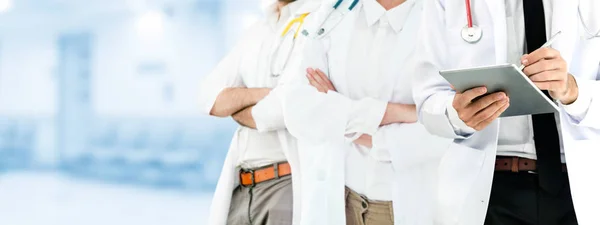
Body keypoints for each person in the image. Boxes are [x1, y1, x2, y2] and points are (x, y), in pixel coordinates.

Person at [412, 0, 600, 224]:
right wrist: (456, 114)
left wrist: (574, 91)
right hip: (490, 190)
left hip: (582, 186)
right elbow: (427, 100)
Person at [279, 0, 448, 224]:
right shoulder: (330, 15)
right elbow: (298, 110)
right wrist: (399, 112)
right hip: (340, 200)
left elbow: (450, 125)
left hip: (407, 204)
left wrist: (342, 116)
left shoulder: (445, 20)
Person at [199, 0, 322, 224]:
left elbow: (288, 107)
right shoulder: (258, 29)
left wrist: (237, 107)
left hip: (284, 185)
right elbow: (209, 98)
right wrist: (264, 93)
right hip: (243, 186)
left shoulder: (322, 21)